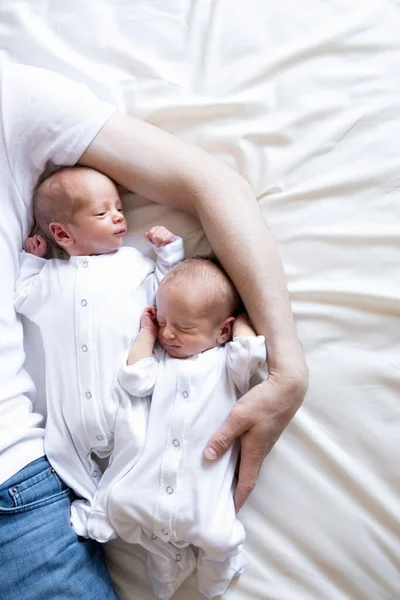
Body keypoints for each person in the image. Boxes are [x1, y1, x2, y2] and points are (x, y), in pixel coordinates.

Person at [0, 63, 307, 599]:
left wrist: (289, 373)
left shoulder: (13, 97)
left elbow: (210, 184)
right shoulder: (49, 277)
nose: (118, 220)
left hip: (14, 489)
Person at [14, 165, 184, 539]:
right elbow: (23, 297)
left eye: (119, 207)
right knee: (60, 453)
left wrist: (169, 252)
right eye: (102, 212)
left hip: (127, 397)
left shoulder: (134, 264)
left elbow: (166, 288)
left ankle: (123, 506)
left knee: (139, 450)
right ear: (62, 233)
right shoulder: (50, 278)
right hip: (68, 411)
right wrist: (33, 261)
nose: (119, 216)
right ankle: (91, 504)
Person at [99, 257, 267, 600]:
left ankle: (215, 568)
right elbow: (134, 378)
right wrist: (147, 334)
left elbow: (251, 350)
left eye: (185, 328)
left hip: (200, 488)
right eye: (162, 322)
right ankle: (165, 556)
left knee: (218, 535)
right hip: (151, 477)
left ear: (223, 331)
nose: (169, 334)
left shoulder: (227, 364)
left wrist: (244, 318)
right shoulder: (161, 360)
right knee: (119, 503)